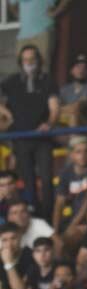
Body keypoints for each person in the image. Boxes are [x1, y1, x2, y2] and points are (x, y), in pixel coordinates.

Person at [1, 45, 59, 216]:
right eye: (25, 60)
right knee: (28, 181)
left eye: (32, 59)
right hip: (21, 139)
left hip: (42, 139)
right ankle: (32, 215)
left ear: (39, 60)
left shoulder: (48, 81)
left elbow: (55, 108)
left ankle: (47, 217)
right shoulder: (11, 82)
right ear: (20, 62)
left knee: (47, 180)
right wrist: (6, 114)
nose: (29, 63)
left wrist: (49, 123)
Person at [58, 52, 87, 126]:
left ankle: (73, 137)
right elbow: (55, 110)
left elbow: (77, 107)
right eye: (78, 67)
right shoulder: (65, 90)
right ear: (71, 70)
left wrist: (62, 110)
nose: (81, 70)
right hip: (67, 124)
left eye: (84, 68)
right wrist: (60, 111)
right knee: (58, 118)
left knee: (73, 114)